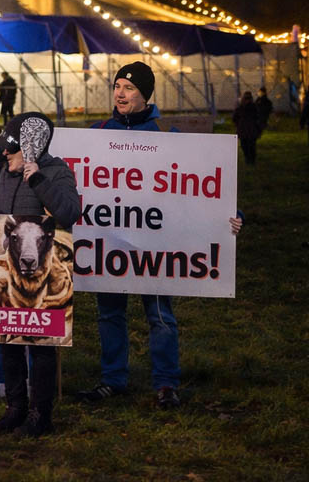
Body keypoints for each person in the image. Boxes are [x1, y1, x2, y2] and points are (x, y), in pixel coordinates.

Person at [81, 61, 243, 408]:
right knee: (109, 312)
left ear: (145, 96)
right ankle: (113, 379)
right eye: (117, 86)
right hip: (107, 242)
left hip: (156, 248)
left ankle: (166, 383)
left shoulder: (167, 140)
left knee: (159, 315)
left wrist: (232, 216)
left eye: (129, 88)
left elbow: (201, 187)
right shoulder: (96, 133)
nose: (120, 94)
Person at [0, 113, 81, 437]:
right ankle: (16, 408)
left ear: (30, 148)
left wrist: (38, 180)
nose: (4, 154)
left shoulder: (56, 171)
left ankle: (41, 414)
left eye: (11, 149)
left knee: (41, 344)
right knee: (7, 340)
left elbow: (69, 212)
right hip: (10, 277)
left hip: (45, 281)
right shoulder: (6, 174)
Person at [233, 91, 261, 166]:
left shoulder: (252, 107)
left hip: (248, 131)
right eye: (246, 98)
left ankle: (250, 160)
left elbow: (235, 118)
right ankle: (249, 160)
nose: (247, 100)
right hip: (246, 131)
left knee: (249, 146)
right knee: (247, 146)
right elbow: (235, 118)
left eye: (248, 98)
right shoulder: (242, 108)